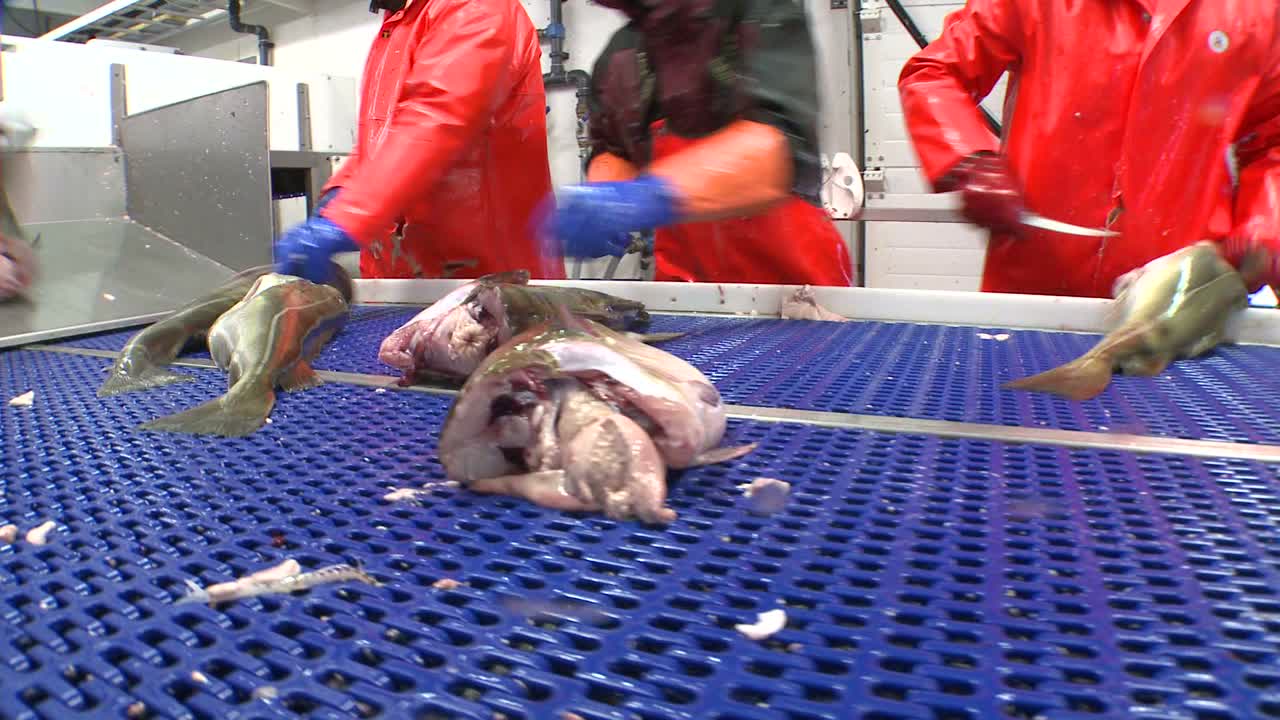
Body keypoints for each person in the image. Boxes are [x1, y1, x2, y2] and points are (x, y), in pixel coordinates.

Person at [897, 1, 1280, 298]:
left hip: (1175, 299)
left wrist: (1265, 224)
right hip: (1033, 289)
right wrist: (969, 161)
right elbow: (935, 73)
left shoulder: (1258, 12)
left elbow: (1272, 138)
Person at [534, 0, 853, 286]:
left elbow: (779, 150)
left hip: (794, 288)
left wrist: (645, 198)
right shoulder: (622, 52)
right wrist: (602, 200)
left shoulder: (756, 10)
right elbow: (615, 148)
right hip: (687, 287)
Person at [273, 0, 563, 284]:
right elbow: (380, 136)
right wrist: (341, 190)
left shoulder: (476, 7)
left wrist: (349, 215)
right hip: (411, 278)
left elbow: (437, 119)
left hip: (492, 278)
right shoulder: (397, 24)